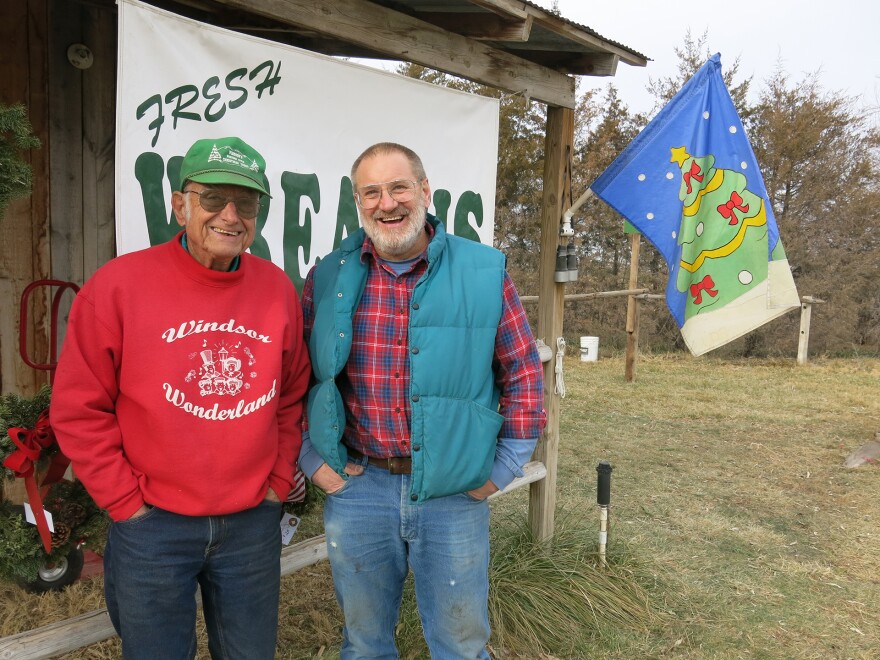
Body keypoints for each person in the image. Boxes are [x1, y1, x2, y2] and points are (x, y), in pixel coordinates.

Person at [50, 136, 311, 659]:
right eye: (213, 198)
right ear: (180, 204)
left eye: (247, 202)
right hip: (153, 526)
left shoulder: (277, 288)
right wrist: (126, 504)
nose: (231, 215)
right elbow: (79, 409)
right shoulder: (119, 286)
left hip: (250, 524)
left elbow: (291, 395)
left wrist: (278, 480)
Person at [299, 142, 546, 658]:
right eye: (372, 191)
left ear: (425, 192)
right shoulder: (328, 278)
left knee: (460, 642)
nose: (387, 203)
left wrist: (502, 468)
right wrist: (312, 461)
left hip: (453, 494)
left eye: (398, 187)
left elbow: (522, 373)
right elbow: (295, 377)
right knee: (364, 643)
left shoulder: (482, 271)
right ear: (357, 201)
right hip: (359, 487)